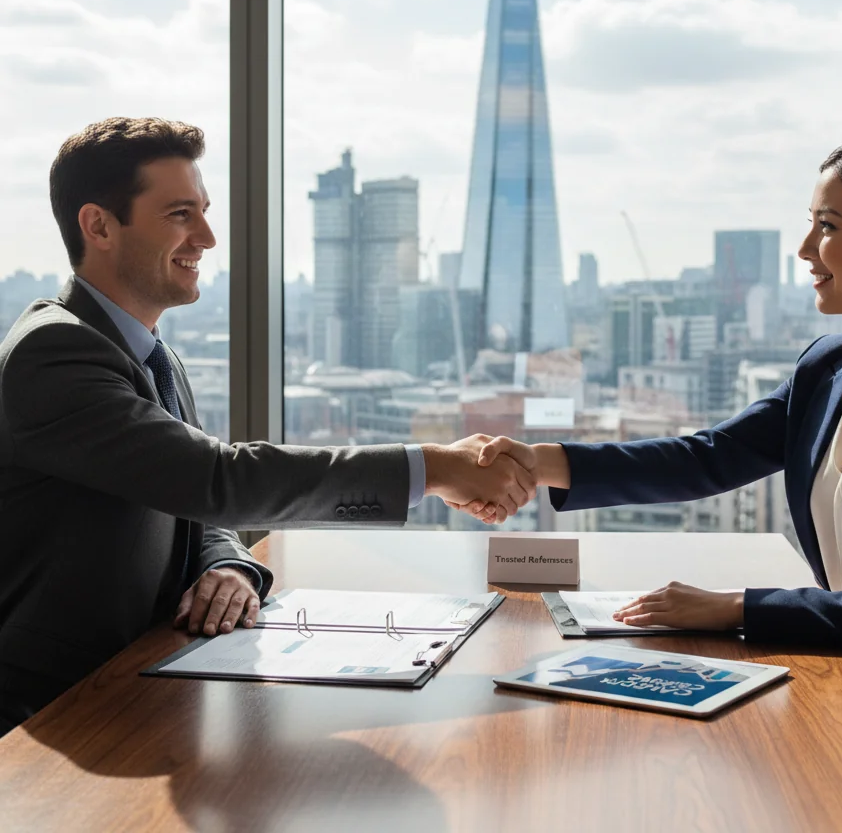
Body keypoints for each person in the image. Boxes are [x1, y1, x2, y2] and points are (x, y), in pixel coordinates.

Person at [464, 130, 842, 795]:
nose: (805, 250)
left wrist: (732, 608)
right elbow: (710, 457)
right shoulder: (828, 367)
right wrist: (540, 460)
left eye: (827, 227)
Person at [0, 116, 533, 735]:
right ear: (99, 225)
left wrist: (229, 566)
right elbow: (213, 478)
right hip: (53, 717)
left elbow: (187, 504)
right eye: (180, 214)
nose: (207, 236)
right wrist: (434, 467)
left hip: (145, 687)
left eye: (203, 210)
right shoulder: (55, 355)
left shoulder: (151, 353)